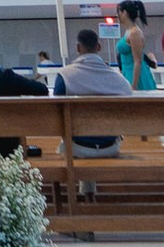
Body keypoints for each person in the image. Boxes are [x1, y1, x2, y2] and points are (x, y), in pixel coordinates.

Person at [54, 27, 134, 157]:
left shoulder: (65, 76)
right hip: (110, 147)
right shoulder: (120, 81)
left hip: (77, 147)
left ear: (78, 48)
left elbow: (56, 110)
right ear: (99, 47)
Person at [112, 1, 155, 92]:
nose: (117, 15)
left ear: (124, 12)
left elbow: (138, 61)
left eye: (118, 12)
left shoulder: (134, 32)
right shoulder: (129, 31)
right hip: (128, 72)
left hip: (135, 75)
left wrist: (134, 85)